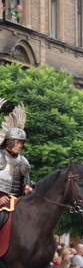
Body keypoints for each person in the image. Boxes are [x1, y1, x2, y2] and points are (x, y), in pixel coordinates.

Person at [0, 99, 32, 232]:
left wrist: (27, 189)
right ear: (9, 142)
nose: (20, 145)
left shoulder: (23, 162)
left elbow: (22, 185)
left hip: (17, 203)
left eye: (22, 143)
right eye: (18, 142)